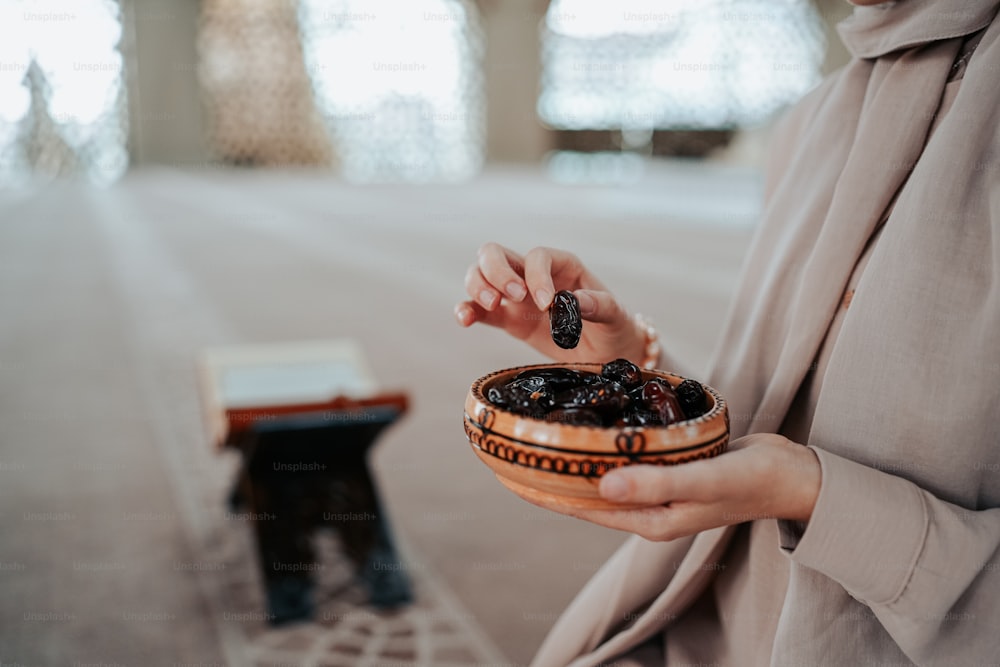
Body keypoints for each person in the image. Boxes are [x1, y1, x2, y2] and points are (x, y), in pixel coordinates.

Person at [454, 1, 1000, 664]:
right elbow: (778, 415)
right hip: (700, 621)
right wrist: (632, 362)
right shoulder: (813, 121)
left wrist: (812, 494)